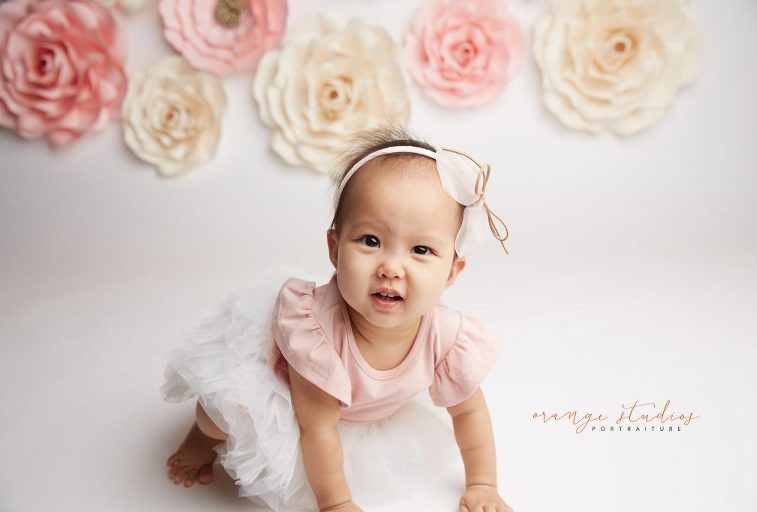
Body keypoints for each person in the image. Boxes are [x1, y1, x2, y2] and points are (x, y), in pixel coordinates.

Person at [161, 125, 514, 512]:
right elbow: (318, 429)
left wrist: (482, 484)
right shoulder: (318, 336)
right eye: (370, 241)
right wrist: (336, 503)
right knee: (224, 412)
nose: (391, 267)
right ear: (335, 247)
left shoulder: (447, 337)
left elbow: (469, 412)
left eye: (421, 249)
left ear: (451, 270)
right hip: (296, 398)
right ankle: (198, 441)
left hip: (362, 410)